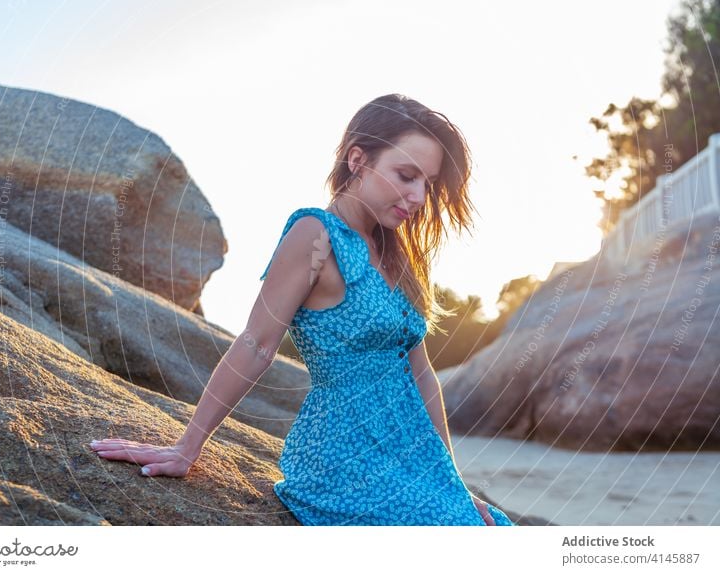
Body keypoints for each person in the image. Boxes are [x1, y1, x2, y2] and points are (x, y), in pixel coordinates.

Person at [90, 93, 516, 526]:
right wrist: (187, 446)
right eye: (406, 175)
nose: (419, 196)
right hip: (345, 455)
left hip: (414, 455)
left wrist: (452, 479)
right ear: (357, 159)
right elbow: (257, 342)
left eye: (427, 183)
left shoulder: (396, 253)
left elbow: (421, 373)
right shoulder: (315, 234)